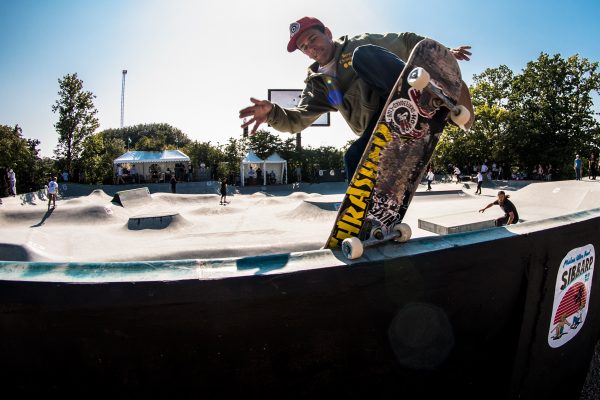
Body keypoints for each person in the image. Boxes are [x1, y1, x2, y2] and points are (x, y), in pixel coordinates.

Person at [239, 17, 471, 181]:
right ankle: (368, 224)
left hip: (397, 93)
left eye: (312, 39)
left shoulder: (358, 42)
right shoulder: (317, 84)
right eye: (304, 47)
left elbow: (405, 40)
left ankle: (426, 99)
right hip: (381, 125)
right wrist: (273, 113)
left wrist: (441, 54)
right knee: (353, 159)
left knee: (364, 56)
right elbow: (298, 119)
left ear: (327, 33)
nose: (310, 48)